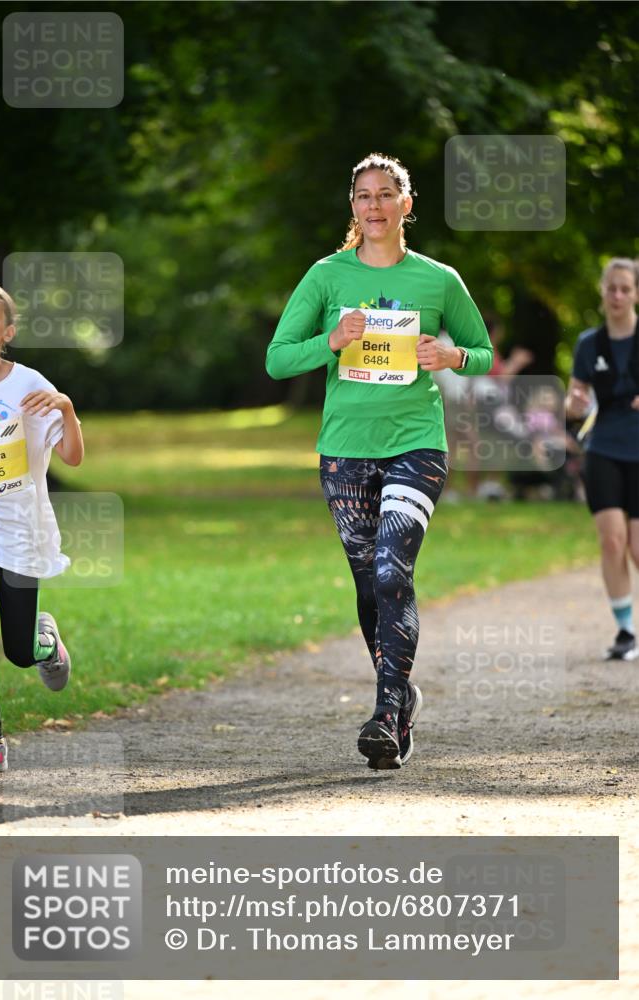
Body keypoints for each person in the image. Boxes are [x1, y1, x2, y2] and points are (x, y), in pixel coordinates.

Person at [266, 153, 493, 769]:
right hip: (344, 449)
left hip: (416, 442)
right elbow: (278, 359)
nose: (375, 206)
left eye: (386, 194)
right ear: (353, 208)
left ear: (406, 205)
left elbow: (483, 351)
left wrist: (451, 358)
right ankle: (403, 692)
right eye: (364, 196)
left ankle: (387, 712)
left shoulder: (439, 280)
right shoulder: (326, 276)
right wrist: (331, 341)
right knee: (370, 585)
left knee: (394, 571)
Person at [0, 280, 84, 775]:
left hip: (18, 528)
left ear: (8, 331)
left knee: (17, 652)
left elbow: (73, 459)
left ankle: (43, 641)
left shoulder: (29, 385)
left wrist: (65, 407)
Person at [566, 258, 639, 661]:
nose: (617, 296)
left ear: (636, 293)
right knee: (612, 542)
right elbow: (574, 404)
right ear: (602, 291)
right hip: (604, 449)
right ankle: (627, 630)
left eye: (625, 289)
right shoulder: (589, 344)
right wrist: (573, 403)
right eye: (611, 288)